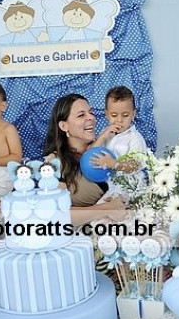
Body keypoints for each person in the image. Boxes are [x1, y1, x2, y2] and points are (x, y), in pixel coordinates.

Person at [44, 93, 127, 225]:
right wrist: (106, 209)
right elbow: (57, 214)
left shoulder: (109, 145)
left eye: (91, 112)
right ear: (64, 126)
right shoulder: (54, 163)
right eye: (81, 115)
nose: (91, 118)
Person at [90, 85, 148, 174]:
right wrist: (103, 136)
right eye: (114, 115)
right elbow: (90, 153)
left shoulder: (135, 138)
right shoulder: (105, 134)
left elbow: (135, 165)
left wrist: (114, 164)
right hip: (105, 179)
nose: (119, 120)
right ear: (107, 115)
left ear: (133, 115)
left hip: (126, 182)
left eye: (125, 115)